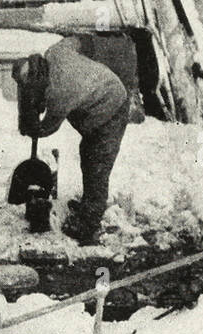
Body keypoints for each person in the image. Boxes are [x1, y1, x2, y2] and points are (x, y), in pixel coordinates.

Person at [11, 38, 130, 245]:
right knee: (87, 154)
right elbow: (77, 41)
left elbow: (47, 127)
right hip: (99, 92)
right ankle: (88, 205)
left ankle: (88, 225)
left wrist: (32, 127)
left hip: (112, 107)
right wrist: (27, 111)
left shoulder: (60, 92)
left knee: (97, 165)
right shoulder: (55, 52)